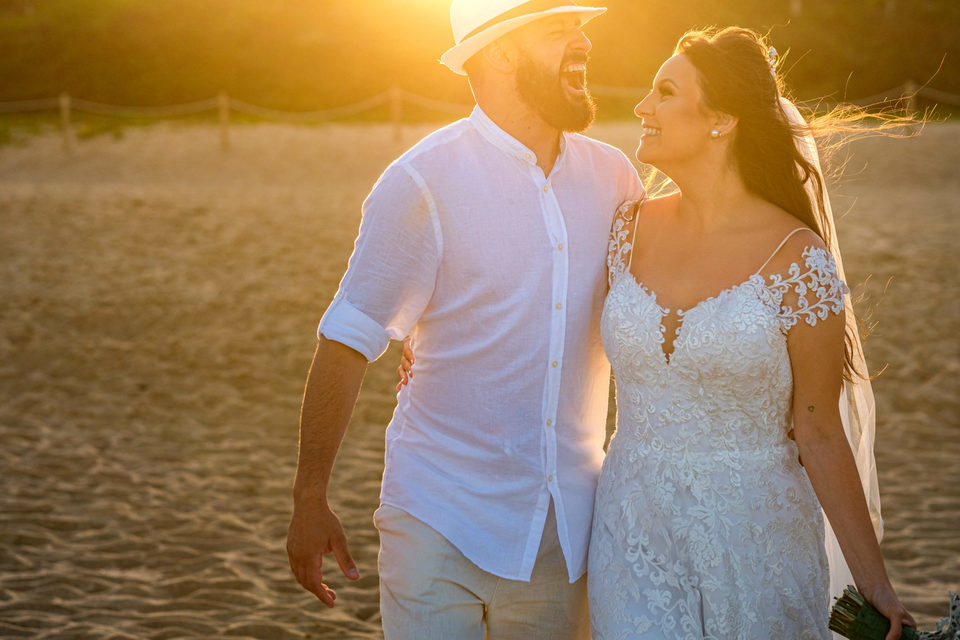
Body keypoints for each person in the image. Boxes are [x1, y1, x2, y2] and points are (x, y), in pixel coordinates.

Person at [285, 1, 643, 638]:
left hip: (563, 532)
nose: (584, 41)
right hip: (436, 517)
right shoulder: (422, 181)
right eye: (559, 28)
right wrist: (310, 495)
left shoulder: (615, 178)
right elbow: (347, 339)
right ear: (502, 51)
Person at [585, 27, 915, 639]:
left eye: (664, 92)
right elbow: (551, 318)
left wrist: (876, 585)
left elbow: (818, 431)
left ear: (722, 120)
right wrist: (430, 340)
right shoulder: (624, 230)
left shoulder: (798, 261)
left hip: (757, 539)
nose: (641, 108)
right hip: (631, 532)